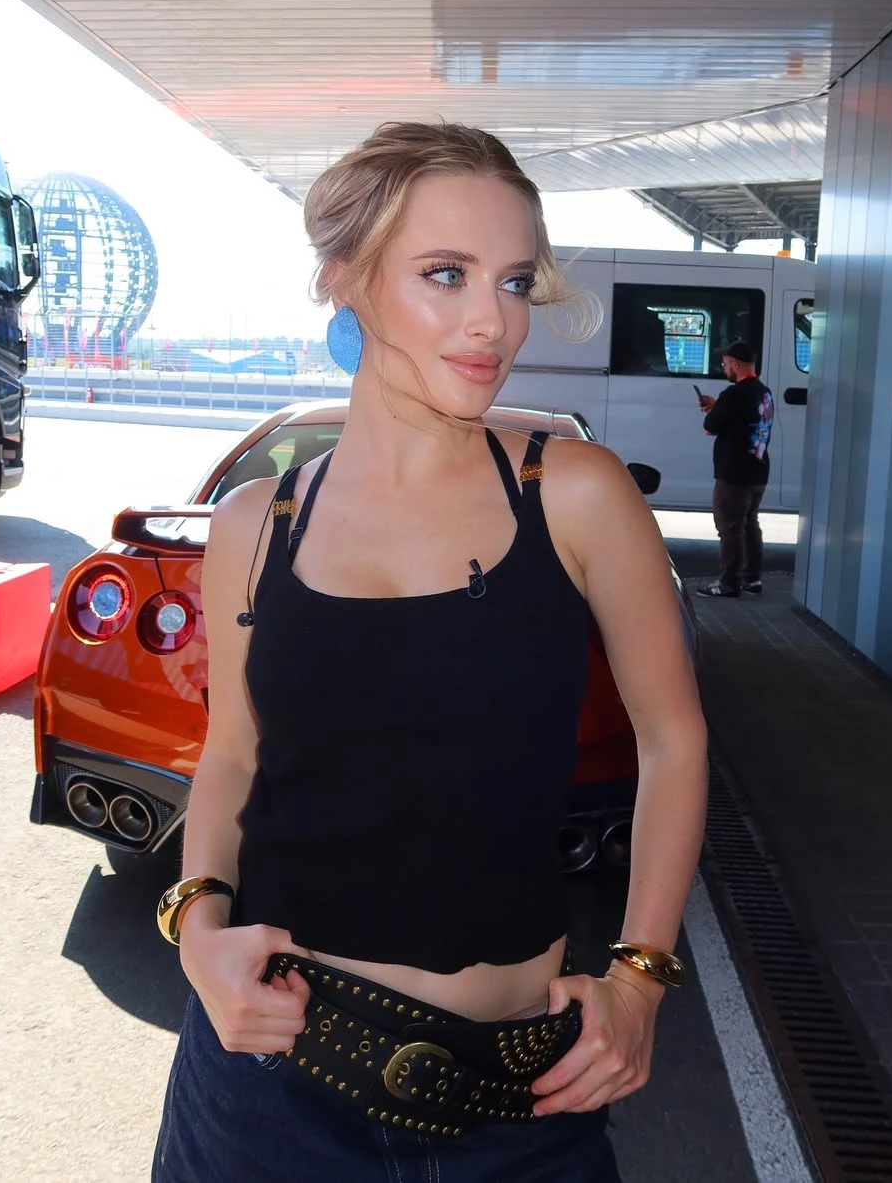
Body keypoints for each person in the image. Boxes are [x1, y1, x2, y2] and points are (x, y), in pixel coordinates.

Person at [151, 122, 709, 1182]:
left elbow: (673, 740)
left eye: (514, 281)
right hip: (266, 1089)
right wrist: (197, 926)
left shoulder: (575, 493)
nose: (493, 320)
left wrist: (640, 978)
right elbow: (231, 753)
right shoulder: (253, 524)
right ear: (345, 277)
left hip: (520, 1102)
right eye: (446, 274)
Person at [696, 340, 775, 599]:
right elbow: (742, 418)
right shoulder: (763, 393)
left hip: (734, 473)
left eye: (725, 364)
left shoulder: (734, 394)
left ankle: (729, 583)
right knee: (750, 524)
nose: (724, 368)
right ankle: (752, 578)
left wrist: (716, 408)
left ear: (736, 364)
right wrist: (719, 406)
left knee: (729, 527)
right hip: (758, 468)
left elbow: (710, 426)